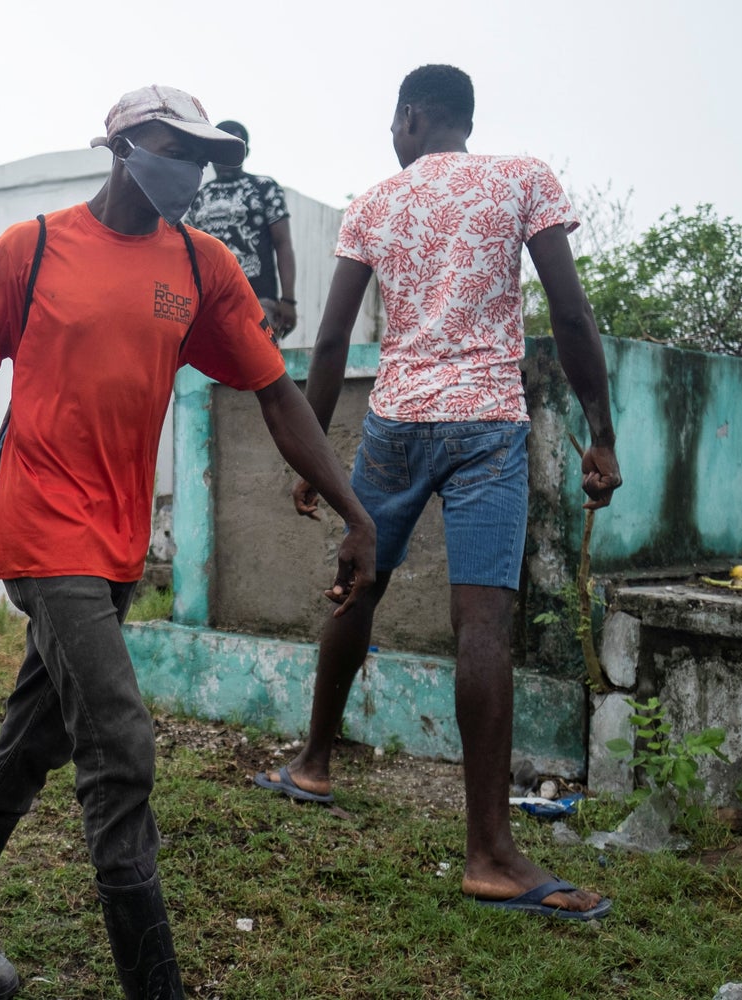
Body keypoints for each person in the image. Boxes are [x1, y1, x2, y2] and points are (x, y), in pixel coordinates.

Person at [0, 85, 377, 1000]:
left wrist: (355, 509)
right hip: (41, 528)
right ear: (123, 144)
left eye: (199, 149)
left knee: (36, 739)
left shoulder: (201, 264)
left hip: (115, 545)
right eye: (172, 145)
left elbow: (276, 393)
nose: (188, 164)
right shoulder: (36, 247)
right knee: (120, 742)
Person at [257, 65, 621, 922]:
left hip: (394, 422)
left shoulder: (376, 202)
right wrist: (600, 433)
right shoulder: (524, 179)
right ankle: (490, 854)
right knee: (482, 624)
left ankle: (314, 762)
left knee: (359, 585)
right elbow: (569, 316)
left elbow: (335, 336)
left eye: (394, 121)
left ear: (414, 117)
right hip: (489, 423)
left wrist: (311, 462)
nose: (393, 135)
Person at [185, 120, 297, 339]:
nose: (226, 156)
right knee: (209, 370)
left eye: (233, 149)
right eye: (220, 148)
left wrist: (288, 300)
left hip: (258, 299)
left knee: (260, 368)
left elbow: (283, 243)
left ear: (246, 152)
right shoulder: (198, 196)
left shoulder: (265, 187)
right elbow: (187, 251)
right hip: (207, 302)